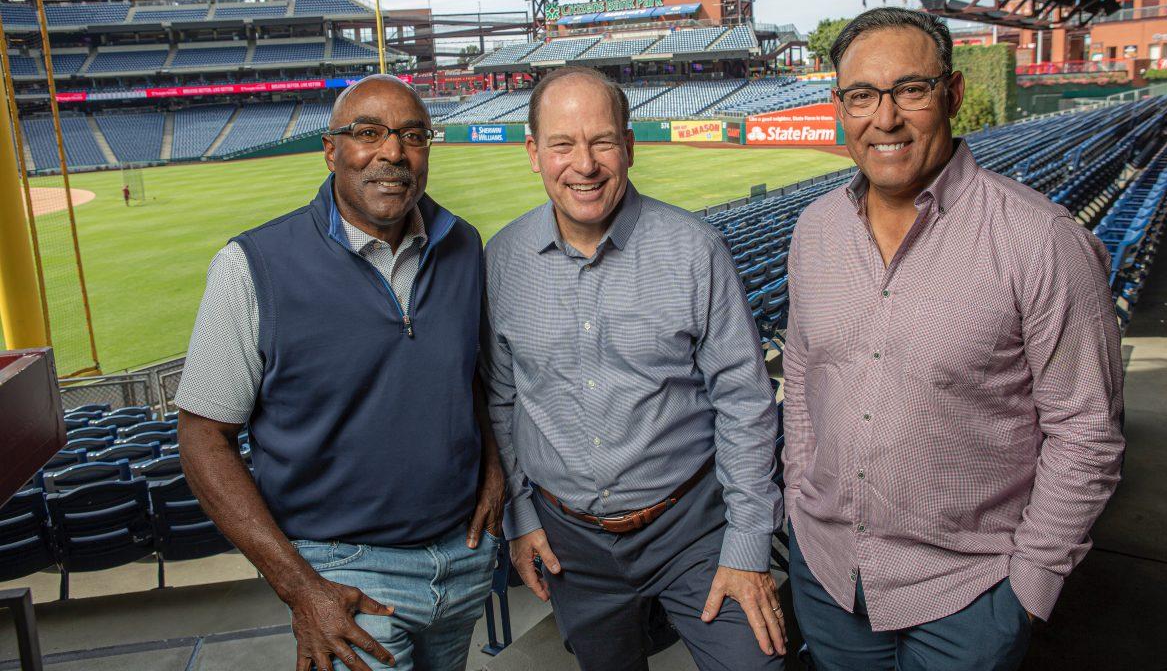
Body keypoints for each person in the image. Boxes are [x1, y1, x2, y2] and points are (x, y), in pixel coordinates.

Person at [782, 8, 1125, 670]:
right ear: (839, 106)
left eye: (910, 89)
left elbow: (1086, 430)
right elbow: (802, 378)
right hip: (826, 576)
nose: (884, 118)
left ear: (953, 95)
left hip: (970, 598)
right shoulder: (813, 231)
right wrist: (800, 498)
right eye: (861, 95)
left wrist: (1027, 588)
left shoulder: (1041, 239)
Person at [176, 75, 503, 671]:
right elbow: (203, 439)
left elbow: (468, 376)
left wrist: (495, 466)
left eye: (412, 135)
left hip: (462, 558)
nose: (392, 153)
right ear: (330, 150)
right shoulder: (251, 265)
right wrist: (300, 587)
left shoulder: (463, 246)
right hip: (343, 574)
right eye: (367, 133)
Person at [483, 66, 785, 671]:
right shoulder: (502, 259)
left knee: (759, 664)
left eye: (601, 142)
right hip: (570, 543)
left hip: (693, 527)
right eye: (562, 144)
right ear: (532, 152)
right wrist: (518, 517)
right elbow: (501, 401)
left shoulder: (694, 248)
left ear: (628, 146)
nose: (584, 164)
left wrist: (749, 543)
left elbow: (745, 401)